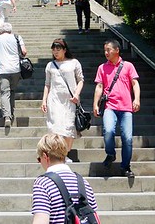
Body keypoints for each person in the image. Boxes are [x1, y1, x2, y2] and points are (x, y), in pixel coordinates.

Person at [93, 39, 141, 178]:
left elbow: (135, 83)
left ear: (117, 50)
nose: (106, 53)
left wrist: (136, 99)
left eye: (109, 50)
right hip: (110, 106)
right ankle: (111, 153)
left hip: (126, 108)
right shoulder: (102, 67)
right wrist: (96, 104)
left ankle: (125, 166)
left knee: (127, 138)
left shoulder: (128, 66)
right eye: (105, 50)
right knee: (108, 130)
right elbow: (99, 86)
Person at [31, 133, 98, 223]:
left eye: (39, 159)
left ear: (45, 156)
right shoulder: (84, 183)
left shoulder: (43, 184)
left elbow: (40, 221)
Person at [41, 38, 84, 159]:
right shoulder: (50, 65)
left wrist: (77, 94)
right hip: (54, 99)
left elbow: (80, 80)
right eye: (53, 49)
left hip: (70, 100)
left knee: (69, 127)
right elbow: (47, 84)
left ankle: (65, 154)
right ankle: (59, 154)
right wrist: (44, 100)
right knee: (55, 128)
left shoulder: (74, 62)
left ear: (64, 50)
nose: (55, 51)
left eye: (58, 49)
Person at [0, 22, 27, 128]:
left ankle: (7, 116)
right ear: (10, 30)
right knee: (12, 91)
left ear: (0, 30)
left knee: (4, 93)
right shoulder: (17, 37)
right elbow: (24, 51)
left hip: (3, 70)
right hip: (16, 69)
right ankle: (11, 111)